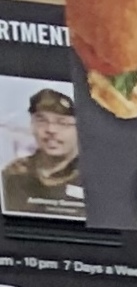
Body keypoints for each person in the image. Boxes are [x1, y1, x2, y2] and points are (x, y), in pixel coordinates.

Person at [1, 88, 81, 221]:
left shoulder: (98, 178)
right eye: (41, 120)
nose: (50, 130)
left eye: (62, 123)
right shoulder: (13, 174)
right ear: (32, 124)